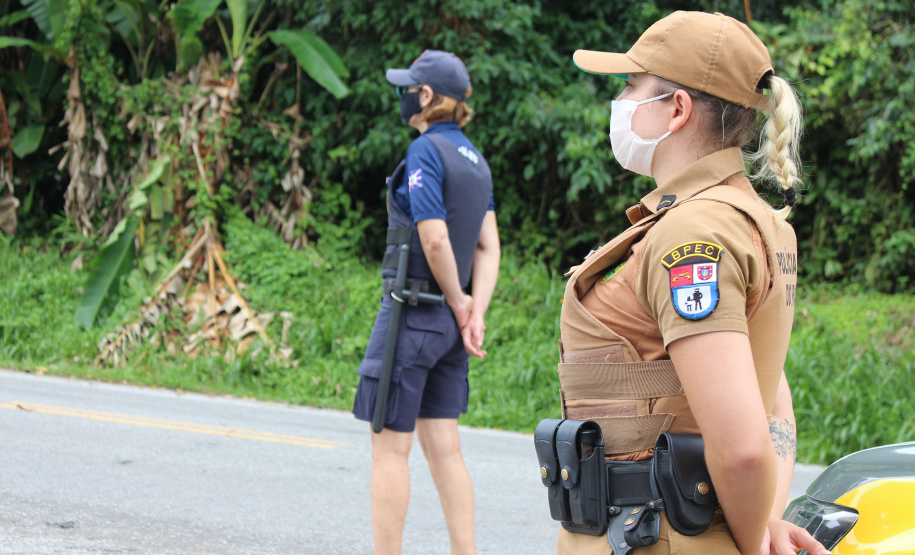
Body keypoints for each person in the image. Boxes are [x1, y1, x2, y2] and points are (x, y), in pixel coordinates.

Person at [549, 11, 831, 555]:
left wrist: (753, 544)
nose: (622, 100)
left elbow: (746, 448)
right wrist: (765, 522)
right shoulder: (755, 221)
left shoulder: (691, 234)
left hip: (654, 535)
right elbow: (772, 406)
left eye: (633, 85)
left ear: (677, 109)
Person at [352, 50, 500, 555]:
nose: (403, 96)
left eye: (408, 88)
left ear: (428, 97)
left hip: (412, 313)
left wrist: (458, 301)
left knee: (390, 449)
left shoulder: (426, 151)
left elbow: (434, 239)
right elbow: (488, 245)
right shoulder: (476, 161)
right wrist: (472, 310)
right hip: (448, 329)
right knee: (445, 448)